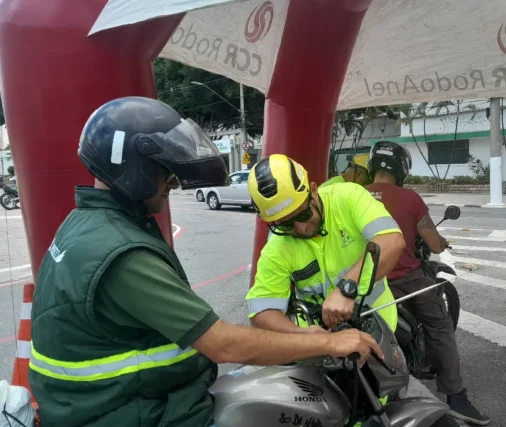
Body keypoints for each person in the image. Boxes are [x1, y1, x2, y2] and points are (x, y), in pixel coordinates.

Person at [28, 97, 383, 427]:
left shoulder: (85, 224)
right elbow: (222, 343)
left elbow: (389, 240)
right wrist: (327, 343)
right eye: (162, 170)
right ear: (132, 168)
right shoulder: (122, 253)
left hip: (109, 404)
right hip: (136, 412)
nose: (170, 181)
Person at [365, 140, 491, 426]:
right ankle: (456, 397)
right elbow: (433, 242)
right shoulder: (410, 199)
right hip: (405, 280)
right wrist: (442, 240)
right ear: (402, 168)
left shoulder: (354, 195)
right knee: (440, 327)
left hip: (364, 284)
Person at [245, 154, 405, 334]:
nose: (301, 228)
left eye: (303, 215)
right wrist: (306, 336)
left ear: (313, 191)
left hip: (379, 328)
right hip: (320, 345)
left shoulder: (349, 197)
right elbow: (261, 312)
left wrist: (347, 289)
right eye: (285, 224)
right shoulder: (277, 246)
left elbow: (391, 240)